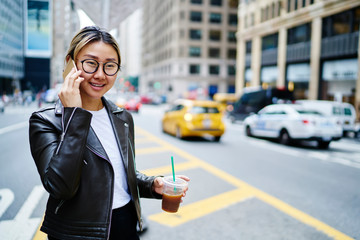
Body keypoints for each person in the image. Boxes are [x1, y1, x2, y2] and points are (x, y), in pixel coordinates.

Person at [29, 26, 189, 240]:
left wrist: (153, 184)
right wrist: (75, 114)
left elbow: (120, 174)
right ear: (70, 62)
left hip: (125, 226)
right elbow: (60, 187)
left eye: (110, 66)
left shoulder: (122, 117)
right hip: (77, 234)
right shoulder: (46, 120)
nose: (100, 75)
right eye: (91, 63)